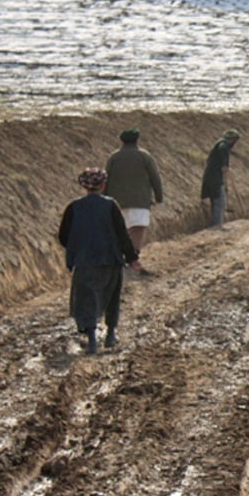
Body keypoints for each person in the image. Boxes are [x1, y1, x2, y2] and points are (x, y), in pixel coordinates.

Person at [57, 168, 139, 355]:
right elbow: (121, 234)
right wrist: (132, 257)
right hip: (110, 259)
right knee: (110, 297)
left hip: (85, 261)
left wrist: (76, 250)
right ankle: (111, 334)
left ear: (84, 186)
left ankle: (92, 339)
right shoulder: (111, 206)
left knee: (87, 298)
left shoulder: (73, 207)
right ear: (103, 185)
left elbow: (63, 236)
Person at [104, 128, 163, 268]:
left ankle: (121, 255)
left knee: (121, 229)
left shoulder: (114, 157)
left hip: (117, 201)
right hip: (140, 200)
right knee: (138, 229)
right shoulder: (145, 156)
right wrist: (159, 196)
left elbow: (106, 178)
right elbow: (155, 178)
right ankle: (134, 256)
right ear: (137, 140)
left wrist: (104, 198)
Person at [201, 129, 240, 228]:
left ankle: (216, 223)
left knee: (217, 201)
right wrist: (224, 165)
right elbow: (223, 152)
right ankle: (217, 225)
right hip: (215, 178)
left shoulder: (220, 145)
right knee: (220, 201)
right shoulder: (223, 145)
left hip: (212, 177)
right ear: (232, 139)